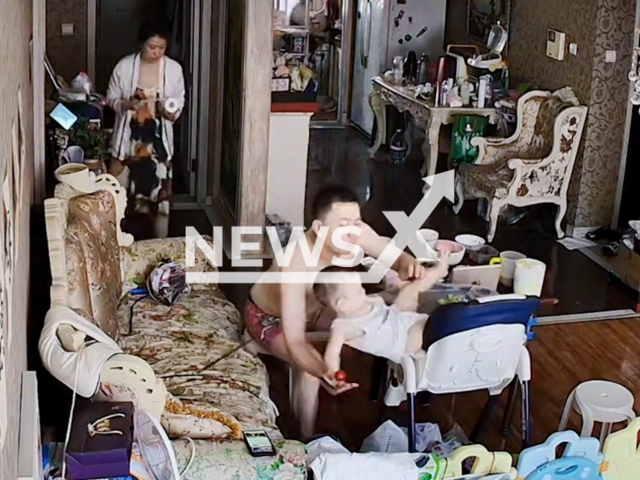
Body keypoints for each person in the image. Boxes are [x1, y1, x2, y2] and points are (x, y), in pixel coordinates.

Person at [246, 184, 428, 438]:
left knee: (378, 309)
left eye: (357, 221)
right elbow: (296, 339)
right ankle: (305, 440)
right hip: (270, 319)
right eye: (344, 225)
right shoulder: (296, 262)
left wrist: (408, 263)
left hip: (319, 308)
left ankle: (399, 389)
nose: (353, 231)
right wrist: (323, 371)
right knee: (311, 369)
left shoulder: (355, 232)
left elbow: (396, 259)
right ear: (319, 229)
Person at [106, 21, 185, 239]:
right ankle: (121, 251)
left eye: (161, 47)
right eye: (152, 47)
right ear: (142, 44)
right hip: (127, 146)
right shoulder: (124, 67)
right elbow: (110, 100)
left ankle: (160, 251)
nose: (156, 52)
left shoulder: (173, 69)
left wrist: (169, 111)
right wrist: (126, 105)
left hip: (157, 148)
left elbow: (178, 104)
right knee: (119, 200)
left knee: (160, 206)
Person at [316, 258, 449, 373]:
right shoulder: (342, 326)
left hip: (399, 318)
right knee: (432, 323)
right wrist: (334, 374)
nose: (363, 290)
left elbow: (385, 298)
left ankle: (438, 271)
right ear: (342, 305)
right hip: (404, 342)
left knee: (411, 288)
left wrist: (399, 290)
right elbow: (331, 356)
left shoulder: (360, 300)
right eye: (358, 290)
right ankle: (450, 325)